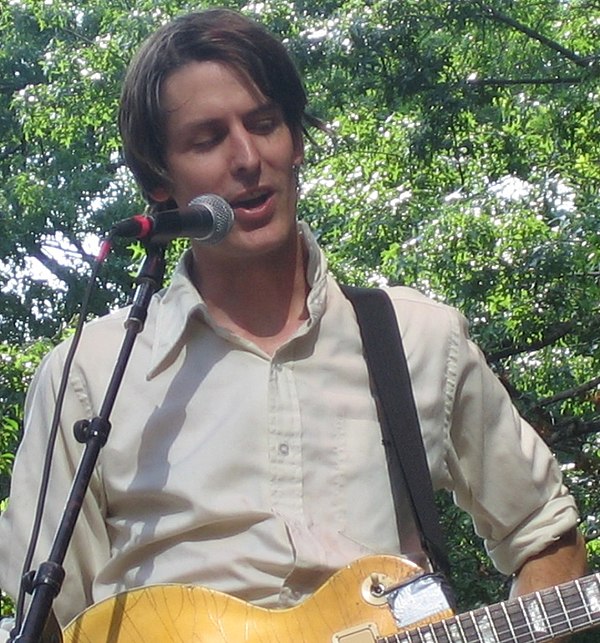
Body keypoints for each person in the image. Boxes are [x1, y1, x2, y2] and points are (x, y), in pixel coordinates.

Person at [0, 7, 588, 640]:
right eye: (207, 139)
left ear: (296, 140)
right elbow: (47, 620)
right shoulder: (89, 373)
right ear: (158, 180)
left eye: (263, 124)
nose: (247, 157)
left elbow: (545, 534)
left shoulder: (419, 340)